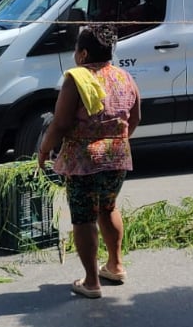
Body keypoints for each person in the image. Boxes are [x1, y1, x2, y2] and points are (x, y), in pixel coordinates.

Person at [37, 23, 142, 299]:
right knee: (108, 207)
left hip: (83, 162)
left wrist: (44, 149)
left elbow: (59, 124)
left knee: (83, 218)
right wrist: (114, 140)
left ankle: (92, 282)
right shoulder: (124, 77)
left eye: (75, 49)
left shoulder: (77, 78)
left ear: (82, 54)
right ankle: (116, 266)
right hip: (118, 157)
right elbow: (136, 119)